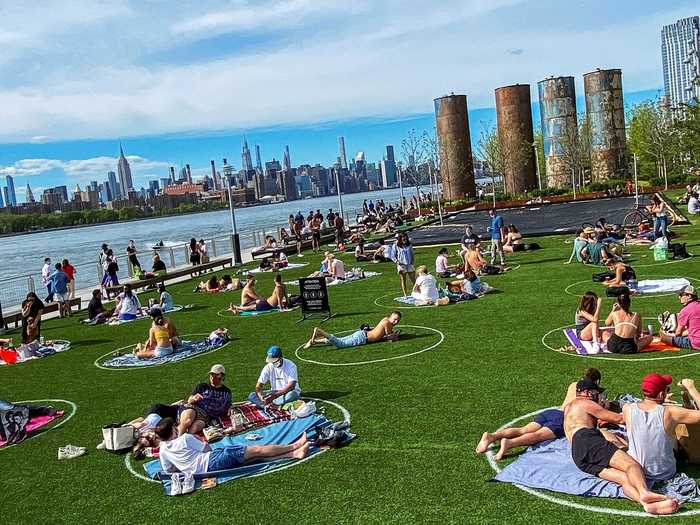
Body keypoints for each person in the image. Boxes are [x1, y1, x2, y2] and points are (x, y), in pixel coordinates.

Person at [564, 378, 678, 515]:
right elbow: (620, 419)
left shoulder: (569, 407)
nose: (599, 396)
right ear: (588, 392)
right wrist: (641, 410)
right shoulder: (585, 403)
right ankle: (645, 492)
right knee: (632, 465)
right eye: (596, 393)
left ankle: (645, 504)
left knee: (624, 478)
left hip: (577, 454)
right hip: (588, 441)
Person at [476, 369, 603, 460]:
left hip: (552, 412)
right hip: (563, 418)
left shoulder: (573, 385)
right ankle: (510, 443)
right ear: (595, 382)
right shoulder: (589, 393)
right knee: (537, 436)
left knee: (523, 429)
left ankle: (492, 436)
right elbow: (598, 409)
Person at [156, 417, 309, 477]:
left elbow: (169, 470)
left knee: (255, 457)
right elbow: (207, 449)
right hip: (212, 461)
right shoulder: (185, 439)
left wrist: (185, 465)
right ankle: (295, 445)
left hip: (204, 470)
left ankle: (294, 454)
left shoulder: (163, 450)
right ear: (173, 430)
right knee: (257, 450)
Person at [624, 374, 700, 482]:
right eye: (666, 390)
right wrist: (691, 388)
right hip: (665, 472)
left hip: (638, 472)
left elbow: (647, 407)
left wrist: (661, 402)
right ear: (661, 394)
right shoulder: (671, 412)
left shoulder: (627, 409)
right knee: (676, 428)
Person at [177, 364, 232, 435]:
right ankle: (176, 441)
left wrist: (230, 409)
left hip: (206, 416)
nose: (212, 377)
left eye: (216, 375)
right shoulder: (203, 386)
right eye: (211, 374)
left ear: (222, 376)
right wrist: (194, 398)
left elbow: (228, 406)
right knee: (187, 421)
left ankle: (184, 441)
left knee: (194, 429)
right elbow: (189, 400)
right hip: (194, 408)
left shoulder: (226, 391)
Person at [304, 312, 401, 349]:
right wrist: (396, 336)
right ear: (390, 316)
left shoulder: (385, 319)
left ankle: (314, 342)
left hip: (361, 334)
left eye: (398, 320)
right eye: (395, 319)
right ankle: (319, 331)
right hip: (362, 338)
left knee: (339, 339)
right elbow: (389, 338)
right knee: (340, 344)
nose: (395, 321)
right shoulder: (388, 323)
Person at [660, 285, 700, 350]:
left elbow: (678, 333)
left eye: (681, 295)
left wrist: (663, 330)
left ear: (689, 296)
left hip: (696, 343)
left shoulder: (685, 310)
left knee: (663, 337)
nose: (679, 297)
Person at [394, 233, 416, 297]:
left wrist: (412, 261)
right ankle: (405, 295)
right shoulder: (396, 245)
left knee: (414, 280)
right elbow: (393, 255)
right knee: (403, 280)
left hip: (409, 264)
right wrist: (397, 261)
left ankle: (417, 293)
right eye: (403, 238)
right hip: (401, 265)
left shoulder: (409, 245)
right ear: (400, 239)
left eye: (406, 238)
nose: (405, 239)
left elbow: (412, 253)